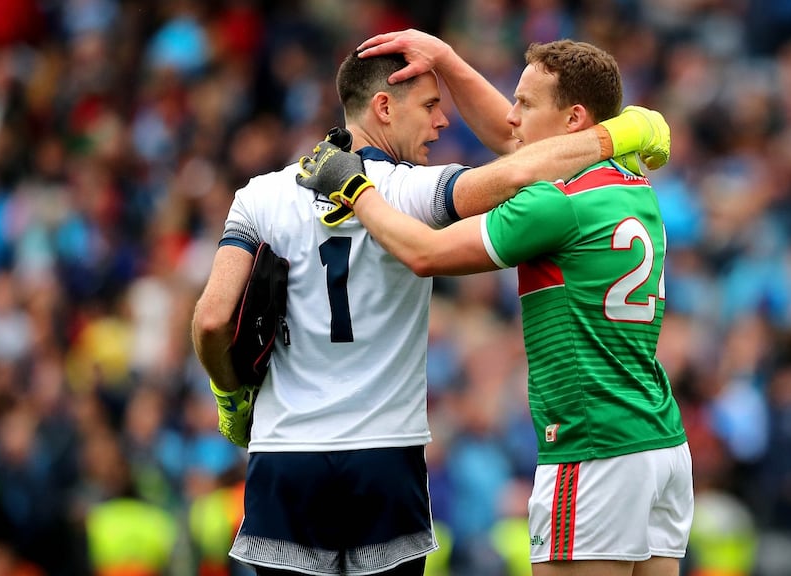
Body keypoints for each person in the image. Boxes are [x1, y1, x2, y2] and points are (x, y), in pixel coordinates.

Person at [191, 30, 671, 576]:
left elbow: (212, 319)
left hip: (284, 453)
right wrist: (626, 130)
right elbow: (519, 167)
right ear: (384, 106)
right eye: (431, 106)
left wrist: (229, 396)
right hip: (387, 455)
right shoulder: (416, 191)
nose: (443, 123)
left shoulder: (260, 195)